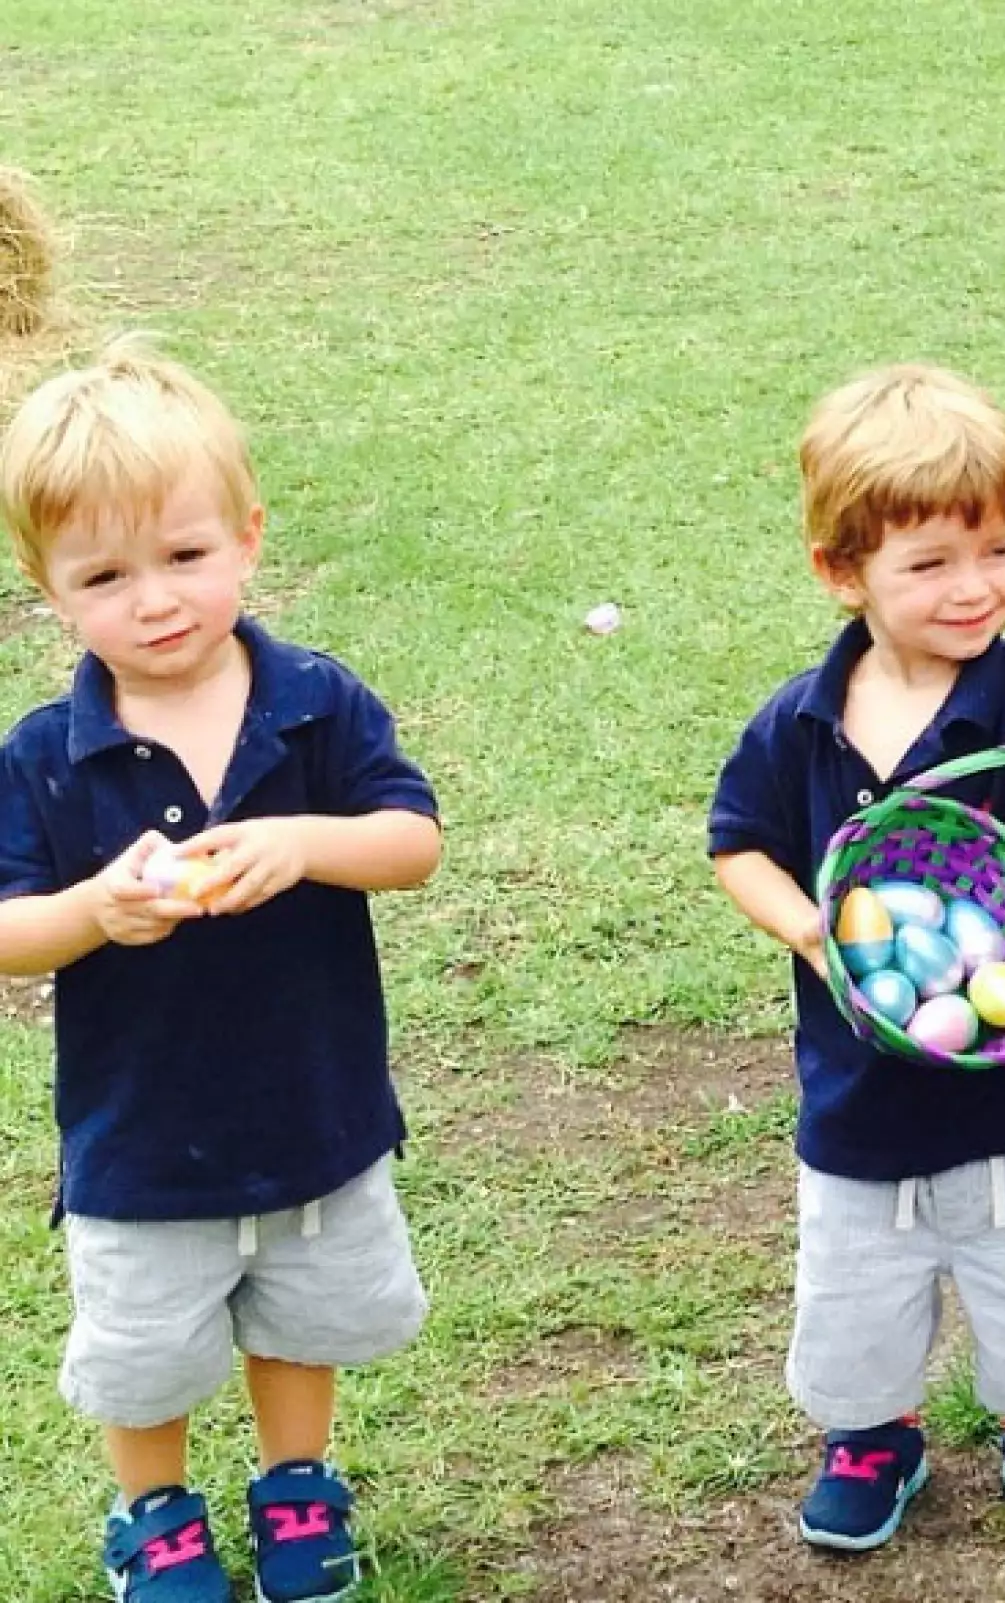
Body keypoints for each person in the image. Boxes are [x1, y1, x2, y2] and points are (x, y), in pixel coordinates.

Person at [708, 363, 1005, 1554]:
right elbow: (738, 847)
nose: (975, 588)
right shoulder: (802, 719)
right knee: (858, 1282)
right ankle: (874, 1429)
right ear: (843, 572)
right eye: (928, 564)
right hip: (863, 1086)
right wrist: (811, 931)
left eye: (1000, 550)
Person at [0, 340, 442, 1602]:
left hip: (313, 1105)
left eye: (185, 556)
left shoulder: (312, 704)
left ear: (247, 538)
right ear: (49, 590)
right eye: (105, 574)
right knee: (144, 1350)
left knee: (302, 1314)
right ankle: (155, 1511)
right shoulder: (44, 756)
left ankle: (298, 1482)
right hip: (141, 1138)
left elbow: (411, 842)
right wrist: (93, 910)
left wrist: (307, 842)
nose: (154, 599)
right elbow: (8, 927)